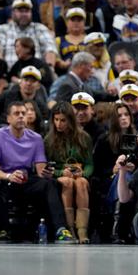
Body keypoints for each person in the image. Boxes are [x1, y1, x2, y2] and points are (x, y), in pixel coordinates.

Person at [0, 101, 76, 244]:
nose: (21, 116)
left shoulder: (36, 138)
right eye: (16, 113)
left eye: (23, 113)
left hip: (26, 179)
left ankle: (61, 229)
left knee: (49, 183)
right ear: (8, 118)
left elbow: (40, 170)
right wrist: (9, 176)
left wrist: (46, 173)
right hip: (5, 178)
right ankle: (4, 230)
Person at [45, 102, 94, 244]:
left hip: (79, 174)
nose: (59, 124)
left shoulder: (84, 137)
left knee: (82, 183)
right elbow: (46, 167)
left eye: (63, 120)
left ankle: (82, 230)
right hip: (60, 176)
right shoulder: (49, 140)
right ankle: (69, 228)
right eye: (56, 120)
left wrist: (83, 173)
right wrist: (60, 172)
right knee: (68, 182)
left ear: (70, 120)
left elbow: (90, 164)